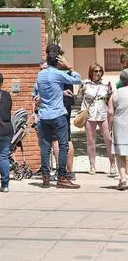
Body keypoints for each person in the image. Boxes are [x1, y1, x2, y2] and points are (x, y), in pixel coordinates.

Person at [36, 44, 82, 189]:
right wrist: (70, 67)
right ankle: (62, 176)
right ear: (58, 60)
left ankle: (45, 177)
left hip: (44, 115)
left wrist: (60, 93)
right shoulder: (57, 74)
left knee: (45, 147)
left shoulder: (41, 74)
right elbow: (77, 80)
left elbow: (45, 92)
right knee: (63, 145)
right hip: (58, 114)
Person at [78, 63, 114, 175]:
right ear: (91, 72)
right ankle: (92, 165)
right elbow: (79, 98)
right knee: (91, 141)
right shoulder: (84, 83)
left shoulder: (106, 84)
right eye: (95, 71)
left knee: (108, 140)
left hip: (103, 114)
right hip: (90, 115)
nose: (98, 73)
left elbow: (110, 98)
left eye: (100, 71)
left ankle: (113, 165)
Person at [109, 70, 128, 190]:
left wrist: (110, 126)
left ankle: (123, 178)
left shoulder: (115, 94)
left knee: (120, 153)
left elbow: (110, 112)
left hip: (119, 125)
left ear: (122, 80)